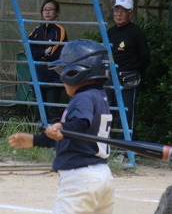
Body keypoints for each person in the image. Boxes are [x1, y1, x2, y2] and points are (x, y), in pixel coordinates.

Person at [8, 39, 115, 214]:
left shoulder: (84, 98)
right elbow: (72, 137)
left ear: (76, 72)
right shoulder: (99, 96)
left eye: (65, 70)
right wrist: (35, 140)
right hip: (102, 176)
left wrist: (62, 127)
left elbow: (78, 126)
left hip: (80, 179)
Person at [106, 0, 150, 139]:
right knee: (106, 112)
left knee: (126, 113)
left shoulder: (136, 32)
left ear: (130, 14)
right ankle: (104, 147)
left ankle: (125, 151)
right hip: (110, 78)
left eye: (123, 11)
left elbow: (145, 57)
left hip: (128, 79)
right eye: (117, 10)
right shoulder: (110, 32)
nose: (118, 14)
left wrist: (136, 72)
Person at [28, 0, 68, 123]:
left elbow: (55, 53)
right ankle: (38, 138)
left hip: (53, 75)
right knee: (38, 109)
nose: (47, 12)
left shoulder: (60, 30)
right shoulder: (36, 31)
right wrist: (44, 51)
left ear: (57, 12)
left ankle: (53, 138)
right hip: (38, 74)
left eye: (51, 9)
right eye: (45, 9)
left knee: (52, 109)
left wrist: (40, 53)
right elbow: (28, 49)